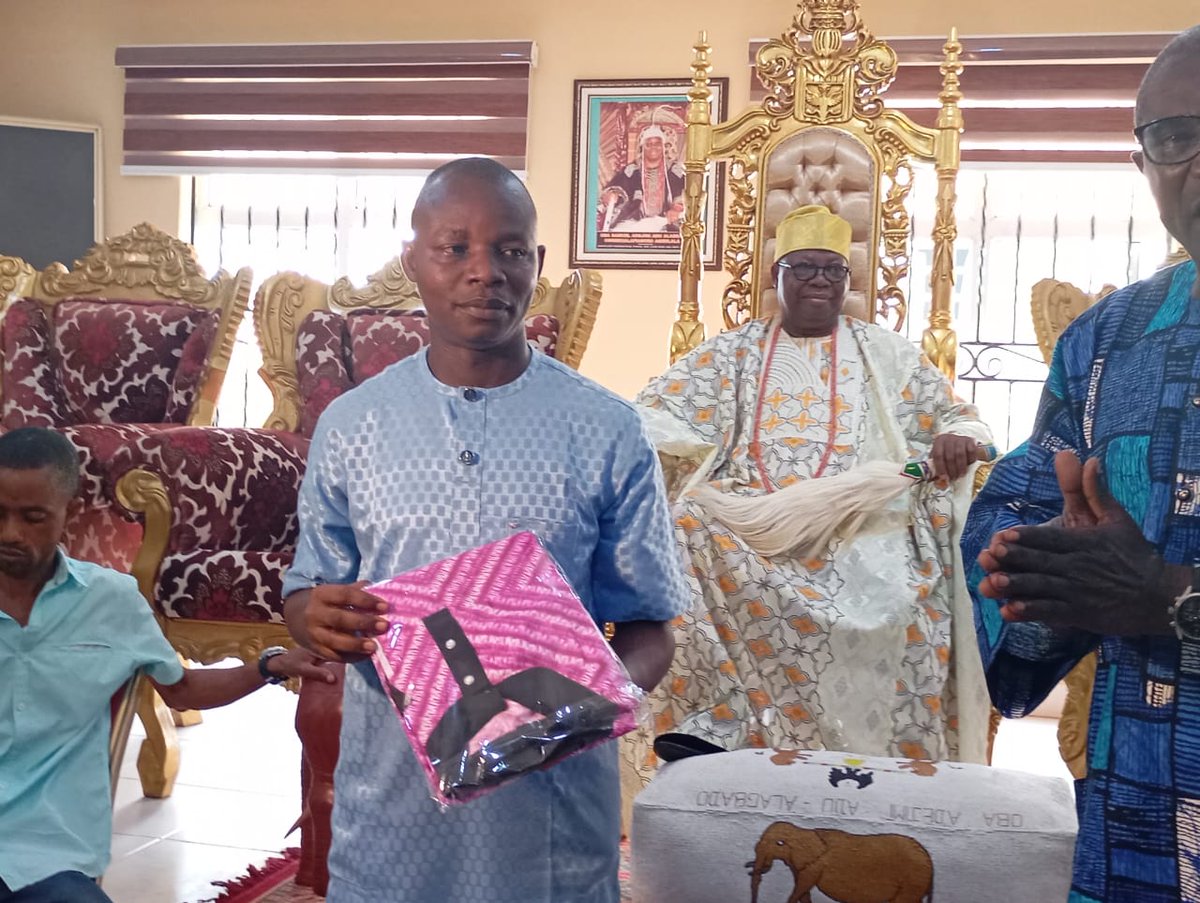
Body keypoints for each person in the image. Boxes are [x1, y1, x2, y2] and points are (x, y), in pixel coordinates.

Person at [282, 157, 687, 903]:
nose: (484, 271)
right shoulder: (352, 426)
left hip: (551, 809)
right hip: (396, 800)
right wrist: (321, 617)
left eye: (508, 249)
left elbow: (650, 624)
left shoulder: (605, 429)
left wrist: (583, 707)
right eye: (455, 247)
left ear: (535, 263)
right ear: (413, 260)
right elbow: (308, 591)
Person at [625, 204, 994, 792]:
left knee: (902, 595)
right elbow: (648, 412)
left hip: (864, 528)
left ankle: (889, 773)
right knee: (685, 523)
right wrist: (685, 446)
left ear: (848, 282)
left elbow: (962, 419)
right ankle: (721, 726)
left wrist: (958, 438)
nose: (820, 280)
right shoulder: (733, 352)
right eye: (803, 268)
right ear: (776, 276)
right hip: (749, 528)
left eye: (833, 270)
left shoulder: (889, 354)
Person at [965, 26, 1200, 902]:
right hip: (1137, 798)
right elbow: (1019, 515)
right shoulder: (1105, 343)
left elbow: (1156, 593)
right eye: (1175, 138)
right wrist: (1038, 570)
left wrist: (1175, 598)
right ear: (1145, 165)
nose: (1198, 159)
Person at [0, 427, 331, 903]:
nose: (11, 533)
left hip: (50, 858)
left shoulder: (110, 602)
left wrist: (271, 665)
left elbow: (183, 690)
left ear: (69, 514)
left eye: (32, 518)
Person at [600, 125, 686, 232]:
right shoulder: (631, 171)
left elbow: (685, 193)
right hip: (633, 223)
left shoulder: (676, 171)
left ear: (664, 147)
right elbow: (618, 187)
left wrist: (677, 208)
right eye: (648, 144)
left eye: (657, 144)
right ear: (642, 148)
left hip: (668, 223)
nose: (653, 147)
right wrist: (613, 195)